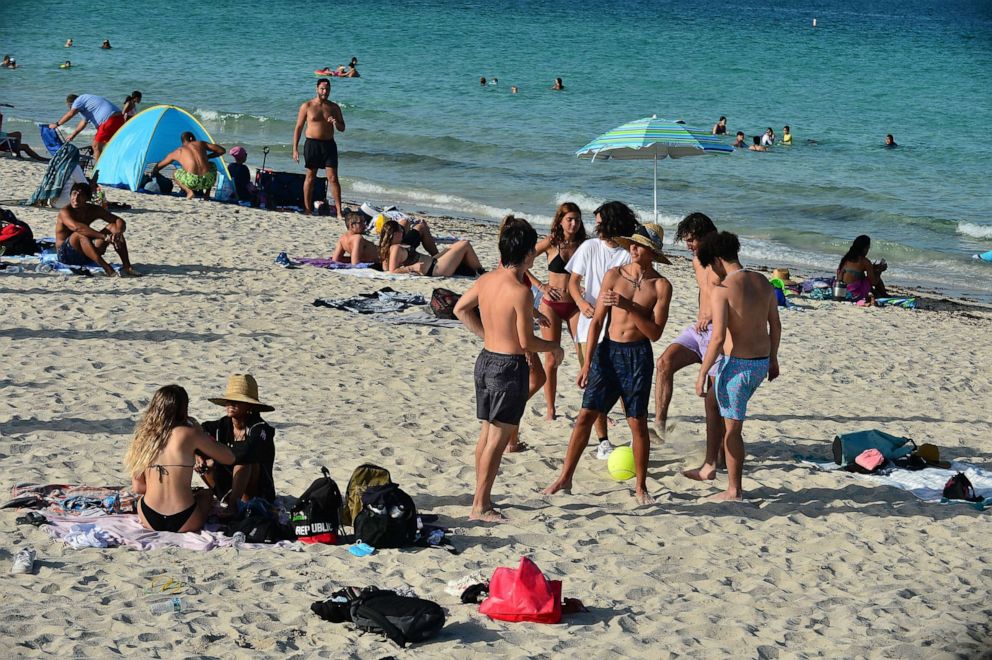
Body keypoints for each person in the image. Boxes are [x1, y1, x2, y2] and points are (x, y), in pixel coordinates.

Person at [544, 224, 673, 505]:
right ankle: (565, 478)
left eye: (639, 245)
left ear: (651, 252)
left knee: (636, 422)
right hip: (608, 352)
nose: (633, 249)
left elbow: (654, 333)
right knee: (585, 416)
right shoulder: (614, 276)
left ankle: (641, 487)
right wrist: (586, 362)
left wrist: (629, 306)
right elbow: (597, 322)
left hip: (638, 356)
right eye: (632, 244)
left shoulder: (661, 286)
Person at [454, 216, 565, 522]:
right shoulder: (521, 291)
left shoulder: (487, 279)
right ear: (529, 255)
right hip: (507, 366)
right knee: (496, 440)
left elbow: (460, 309)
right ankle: (481, 504)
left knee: (487, 434)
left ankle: (481, 496)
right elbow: (527, 341)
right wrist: (554, 346)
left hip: (486, 359)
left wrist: (486, 334)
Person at [686, 231, 780, 501]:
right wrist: (773, 358)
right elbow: (775, 324)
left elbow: (717, 337)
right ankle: (709, 467)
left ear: (716, 260)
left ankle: (734, 489)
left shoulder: (723, 289)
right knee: (715, 403)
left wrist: (703, 373)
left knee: (733, 431)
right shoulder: (763, 282)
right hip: (760, 363)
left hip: (738, 366)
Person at [566, 201, 639, 458]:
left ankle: (634, 437)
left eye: (599, 222)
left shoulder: (629, 252)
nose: (595, 227)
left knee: (623, 386)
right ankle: (603, 441)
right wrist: (581, 302)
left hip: (619, 327)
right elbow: (573, 282)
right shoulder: (589, 247)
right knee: (594, 386)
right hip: (589, 324)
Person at [125, 385, 236, 533]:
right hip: (186, 518)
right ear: (183, 409)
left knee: (143, 499)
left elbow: (138, 488)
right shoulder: (189, 433)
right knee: (206, 494)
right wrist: (198, 429)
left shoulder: (143, 437)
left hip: (149, 518)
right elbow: (229, 457)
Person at [654, 212, 718, 438]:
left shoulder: (722, 261)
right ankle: (659, 427)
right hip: (698, 331)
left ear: (706, 236)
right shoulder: (696, 261)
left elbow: (734, 298)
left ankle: (715, 447)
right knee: (664, 363)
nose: (688, 245)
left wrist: (713, 317)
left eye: (691, 240)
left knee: (712, 394)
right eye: (687, 240)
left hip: (719, 333)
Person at [526, 202, 588, 420]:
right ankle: (551, 409)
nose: (574, 223)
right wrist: (541, 286)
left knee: (586, 355)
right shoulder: (551, 243)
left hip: (574, 306)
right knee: (552, 359)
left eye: (577, 219)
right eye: (569, 219)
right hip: (550, 306)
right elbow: (522, 263)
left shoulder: (584, 245)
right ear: (560, 221)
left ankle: (593, 409)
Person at [198, 374, 277, 510]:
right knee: (199, 454)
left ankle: (233, 507)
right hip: (228, 489)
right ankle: (228, 499)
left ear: (249, 405)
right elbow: (196, 433)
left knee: (244, 462)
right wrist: (198, 456)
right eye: (229, 400)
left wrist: (215, 459)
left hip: (258, 493)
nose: (231, 404)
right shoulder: (222, 425)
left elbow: (248, 451)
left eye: (237, 401)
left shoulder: (261, 429)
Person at [55, 182, 139, 276]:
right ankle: (107, 268)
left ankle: (127, 266)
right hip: (66, 255)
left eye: (81, 195)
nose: (76, 198)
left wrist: (117, 234)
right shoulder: (65, 211)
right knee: (79, 234)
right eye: (74, 194)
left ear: (87, 198)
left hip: (86, 252)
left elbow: (119, 220)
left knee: (113, 228)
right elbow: (77, 228)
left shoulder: (93, 210)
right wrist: (104, 237)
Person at [292, 78, 345, 218]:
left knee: (333, 178)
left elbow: (342, 128)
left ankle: (339, 211)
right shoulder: (307, 106)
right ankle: (308, 209)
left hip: (329, 145)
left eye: (327, 89)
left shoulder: (334, 107)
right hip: (312, 144)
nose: (325, 92)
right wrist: (295, 149)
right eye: (322, 89)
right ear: (317, 89)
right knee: (310, 177)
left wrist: (335, 122)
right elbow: (298, 127)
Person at [379, 219, 484, 276]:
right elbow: (392, 271)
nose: (403, 232)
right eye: (400, 230)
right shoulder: (395, 248)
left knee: (453, 247)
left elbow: (386, 267)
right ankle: (481, 272)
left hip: (434, 262)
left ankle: (477, 270)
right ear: (395, 234)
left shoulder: (393, 247)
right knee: (464, 244)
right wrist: (411, 268)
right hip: (435, 268)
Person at [151, 131, 226, 200]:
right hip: (208, 181)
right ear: (191, 138)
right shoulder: (200, 143)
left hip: (191, 182)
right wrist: (208, 157)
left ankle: (189, 192)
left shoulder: (178, 151)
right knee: (212, 165)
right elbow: (222, 150)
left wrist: (154, 172)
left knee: (175, 173)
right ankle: (207, 194)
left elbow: (159, 166)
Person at [49, 93, 125, 160]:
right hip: (120, 119)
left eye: (69, 106)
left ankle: (100, 171)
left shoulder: (78, 101)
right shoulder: (86, 102)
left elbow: (71, 113)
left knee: (95, 146)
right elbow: (83, 122)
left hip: (109, 120)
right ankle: (115, 163)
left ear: (70, 104)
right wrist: (73, 135)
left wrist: (57, 124)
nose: (69, 108)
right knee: (112, 145)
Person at [836, 234, 887, 299]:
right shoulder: (865, 261)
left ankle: (880, 293)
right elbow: (874, 282)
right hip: (854, 293)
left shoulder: (846, 258)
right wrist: (879, 271)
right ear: (864, 249)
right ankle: (884, 294)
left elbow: (855, 270)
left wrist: (872, 267)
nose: (868, 250)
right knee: (875, 275)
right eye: (868, 248)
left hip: (840, 290)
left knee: (863, 276)